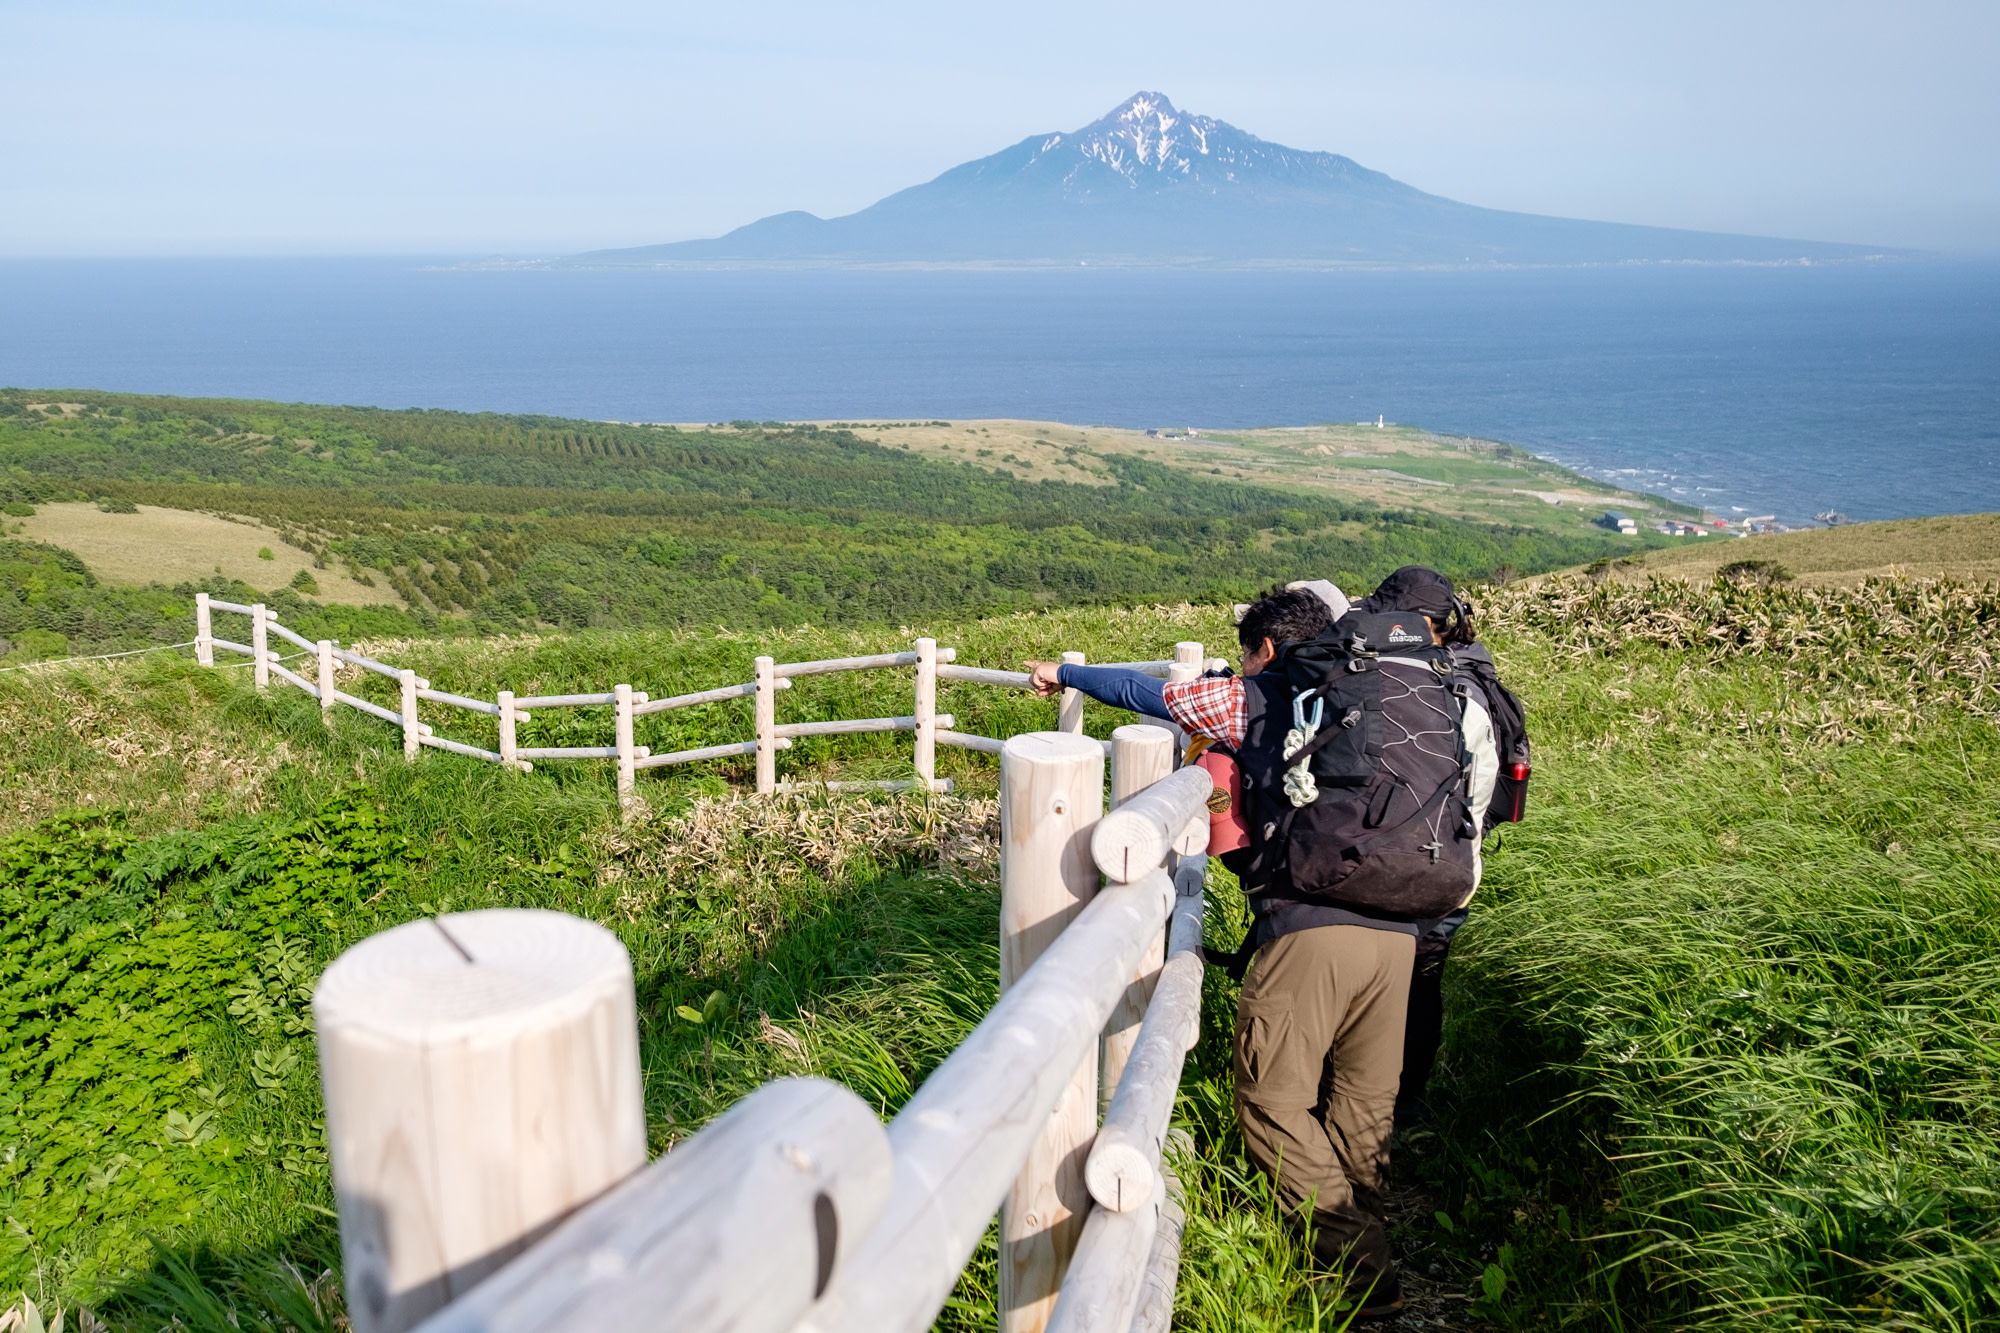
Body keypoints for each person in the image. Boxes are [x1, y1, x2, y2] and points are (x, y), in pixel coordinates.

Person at [1027, 576, 1490, 1318]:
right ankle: (1347, 1260)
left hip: (1311, 922)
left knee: (1271, 1098)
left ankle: (1365, 1268)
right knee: (1364, 1099)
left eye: (1247, 655)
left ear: (1268, 647)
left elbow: (1152, 698)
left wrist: (1067, 673)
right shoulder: (1409, 687)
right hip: (1405, 925)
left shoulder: (1264, 694)